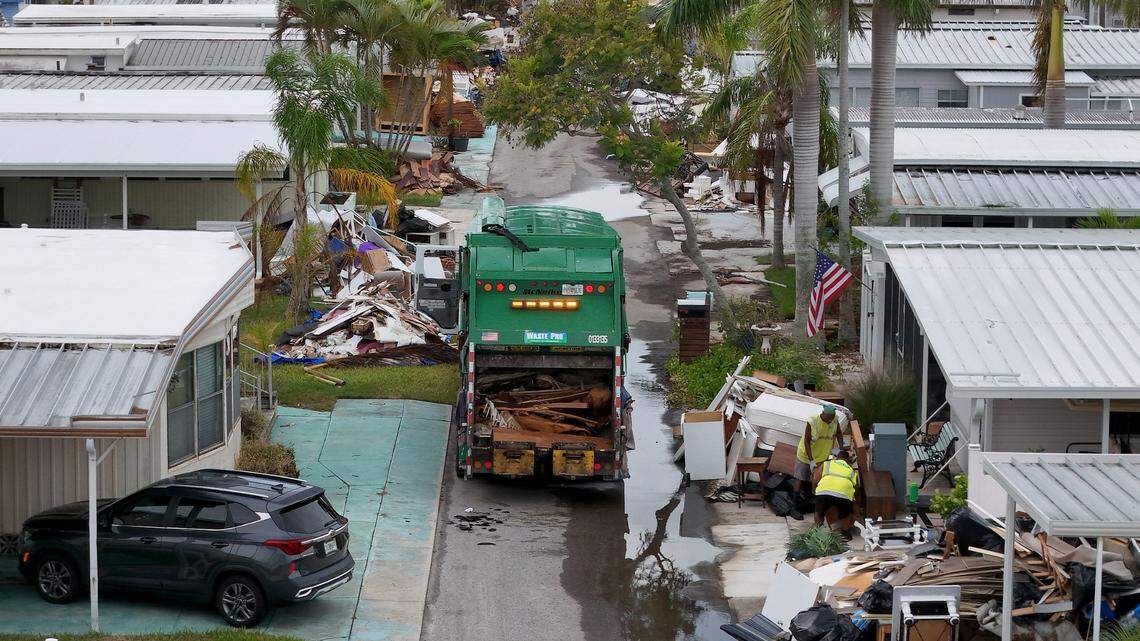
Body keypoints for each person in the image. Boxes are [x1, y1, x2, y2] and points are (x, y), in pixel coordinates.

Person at [794, 403, 841, 495]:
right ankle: (795, 502)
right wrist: (811, 460)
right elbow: (806, 441)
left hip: (821, 456)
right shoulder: (812, 421)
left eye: (832, 418)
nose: (830, 421)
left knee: (817, 480)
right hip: (806, 455)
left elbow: (839, 434)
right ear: (823, 414)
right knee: (800, 478)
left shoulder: (834, 420)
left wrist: (841, 450)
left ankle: (813, 499)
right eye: (829, 418)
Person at [814, 450, 858, 529]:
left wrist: (815, 493)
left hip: (823, 491)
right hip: (844, 495)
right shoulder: (851, 470)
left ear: (837, 458)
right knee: (848, 516)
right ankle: (837, 529)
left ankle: (816, 531)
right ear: (847, 460)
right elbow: (856, 490)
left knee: (819, 512)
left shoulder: (827, 464)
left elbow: (815, 479)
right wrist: (855, 505)